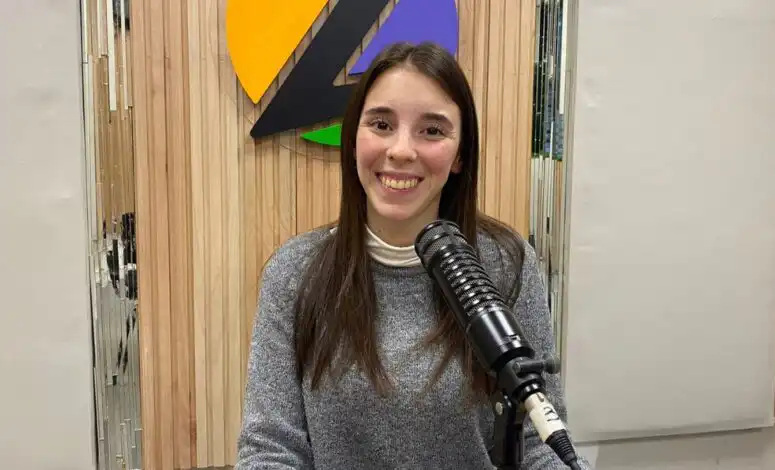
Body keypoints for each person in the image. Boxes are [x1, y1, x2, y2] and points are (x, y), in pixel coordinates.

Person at [235, 41, 591, 470]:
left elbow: (539, 442)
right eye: (382, 124)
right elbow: (270, 450)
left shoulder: (506, 263)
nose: (402, 150)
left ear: (460, 154)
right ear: (354, 139)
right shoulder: (296, 272)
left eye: (432, 130)